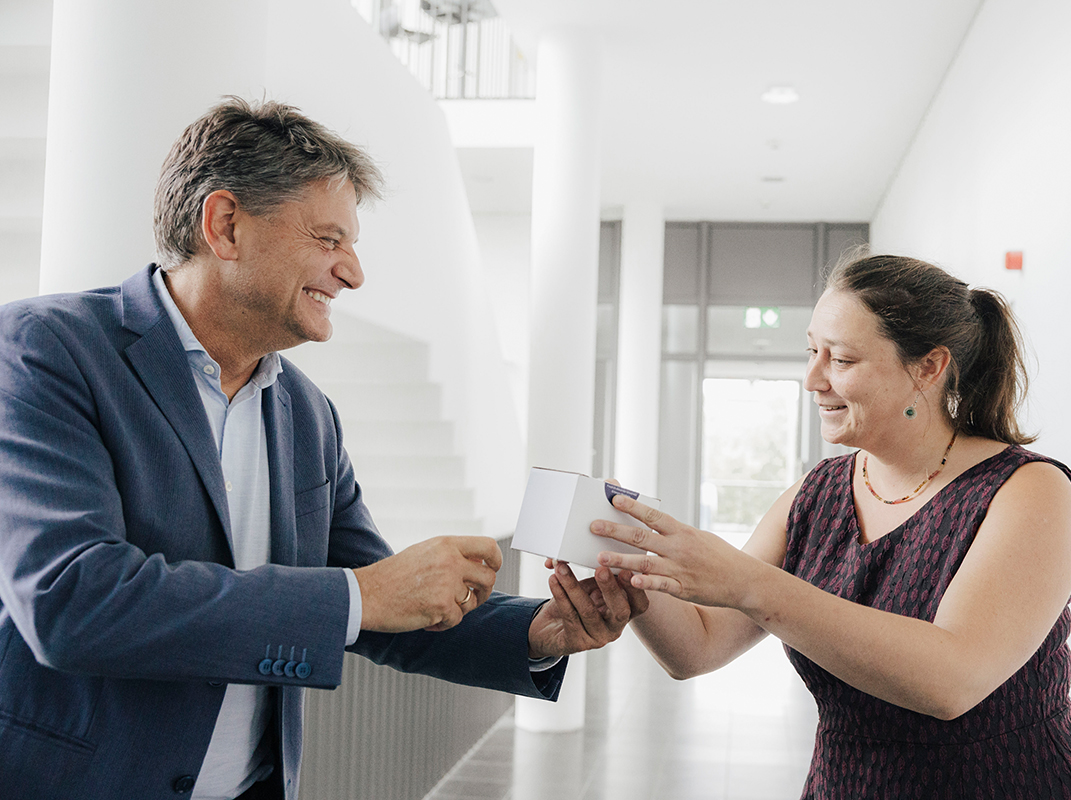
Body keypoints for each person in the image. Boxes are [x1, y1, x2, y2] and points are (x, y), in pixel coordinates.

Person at [0, 97, 646, 800]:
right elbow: (73, 602)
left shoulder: (309, 415)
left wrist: (540, 631)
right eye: (329, 239)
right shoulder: (45, 351)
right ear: (225, 225)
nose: (353, 273)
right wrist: (360, 594)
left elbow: (376, 606)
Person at [591, 254, 1071, 798]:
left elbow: (951, 680)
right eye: (812, 352)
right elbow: (698, 646)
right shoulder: (819, 492)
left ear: (928, 368)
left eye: (840, 359)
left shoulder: (1027, 489)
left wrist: (750, 584)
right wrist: (625, 568)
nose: (812, 380)